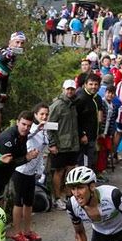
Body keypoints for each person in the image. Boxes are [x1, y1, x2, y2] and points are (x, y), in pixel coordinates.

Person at [12, 103, 50, 241]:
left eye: (46, 114)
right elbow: (24, 137)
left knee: (29, 202)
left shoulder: (44, 131)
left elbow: (41, 152)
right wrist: (37, 129)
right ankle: (17, 232)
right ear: (35, 115)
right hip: (21, 170)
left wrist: (40, 171)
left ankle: (27, 230)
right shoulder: (31, 128)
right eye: (41, 114)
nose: (44, 117)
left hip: (32, 171)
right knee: (19, 201)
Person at [0, 111, 37, 206]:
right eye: (23, 124)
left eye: (29, 126)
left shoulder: (23, 135)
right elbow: (6, 163)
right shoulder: (8, 138)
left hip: (4, 177)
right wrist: (26, 158)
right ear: (17, 122)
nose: (26, 128)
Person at [48, 80, 81, 210]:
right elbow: (49, 126)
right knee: (59, 171)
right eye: (68, 89)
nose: (70, 91)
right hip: (60, 145)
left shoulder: (73, 104)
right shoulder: (57, 105)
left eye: (72, 89)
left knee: (71, 170)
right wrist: (52, 144)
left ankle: (69, 196)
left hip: (73, 144)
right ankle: (57, 198)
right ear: (63, 89)